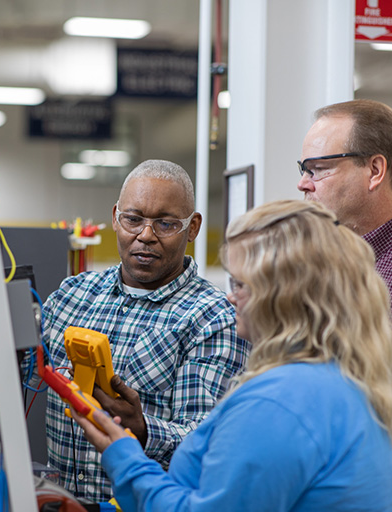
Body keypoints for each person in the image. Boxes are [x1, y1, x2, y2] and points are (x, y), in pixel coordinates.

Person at [72, 199, 392, 511]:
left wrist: (124, 457)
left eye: (241, 284)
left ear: (281, 297)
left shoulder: (277, 402)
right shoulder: (349, 381)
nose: (231, 297)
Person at [40, 159, 250, 502]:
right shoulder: (72, 295)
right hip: (58, 501)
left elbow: (207, 442)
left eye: (166, 223)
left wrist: (143, 429)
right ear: (115, 218)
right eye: (133, 219)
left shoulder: (214, 318)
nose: (146, 235)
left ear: (192, 227)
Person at [298, 99, 392, 384]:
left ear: (375, 171)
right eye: (303, 170)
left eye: (317, 168)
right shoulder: (327, 264)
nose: (304, 183)